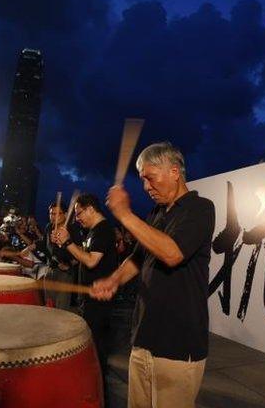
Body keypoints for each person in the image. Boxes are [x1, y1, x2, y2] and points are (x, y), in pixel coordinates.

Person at [92, 142, 215, 408]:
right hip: (144, 337)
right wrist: (112, 280)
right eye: (142, 180)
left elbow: (172, 254)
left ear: (174, 171)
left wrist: (124, 214)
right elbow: (137, 259)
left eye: (150, 177)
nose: (146, 187)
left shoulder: (200, 208)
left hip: (178, 343)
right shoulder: (156, 214)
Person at [52, 193, 118, 407]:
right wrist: (65, 244)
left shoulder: (104, 230)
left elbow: (91, 261)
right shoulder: (92, 232)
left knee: (98, 353)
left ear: (91, 209)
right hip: (88, 298)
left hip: (99, 299)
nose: (77, 218)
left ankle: (100, 398)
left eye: (79, 213)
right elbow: (82, 254)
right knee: (92, 349)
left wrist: (68, 242)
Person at [43, 201, 80, 310]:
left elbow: (79, 252)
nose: (54, 217)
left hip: (65, 273)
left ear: (65, 214)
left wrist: (69, 264)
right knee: (49, 304)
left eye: (57, 213)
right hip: (50, 269)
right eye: (51, 214)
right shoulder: (49, 227)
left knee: (61, 307)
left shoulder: (72, 229)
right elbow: (45, 246)